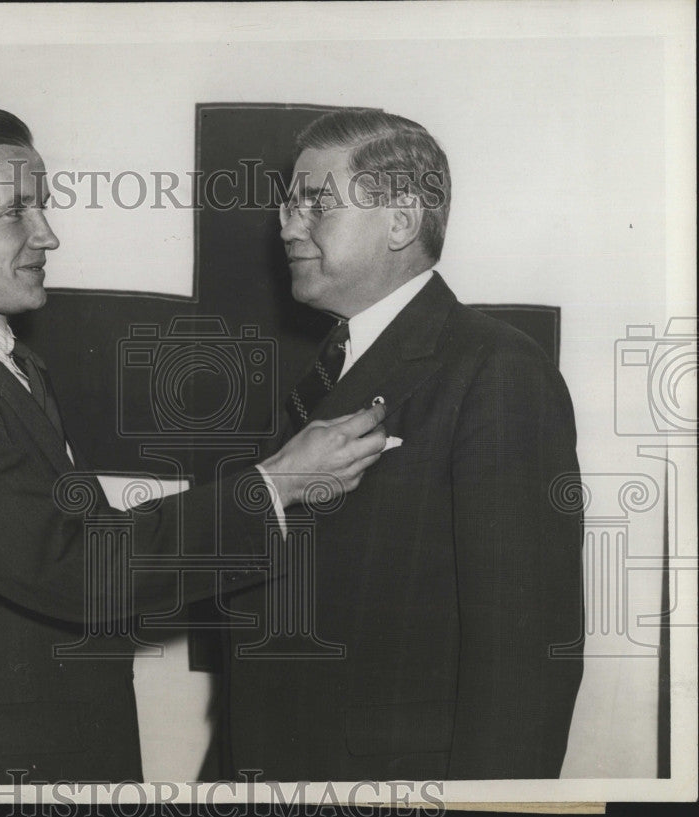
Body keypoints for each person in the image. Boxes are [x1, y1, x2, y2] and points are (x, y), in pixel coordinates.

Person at [0, 106, 388, 786]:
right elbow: (74, 568)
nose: (48, 235)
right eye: (16, 212)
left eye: (42, 207)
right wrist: (273, 485)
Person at [222, 108, 584, 780]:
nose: (286, 222)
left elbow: (522, 652)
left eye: (315, 203)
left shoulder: (496, 368)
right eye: (288, 203)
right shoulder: (325, 369)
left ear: (401, 220)